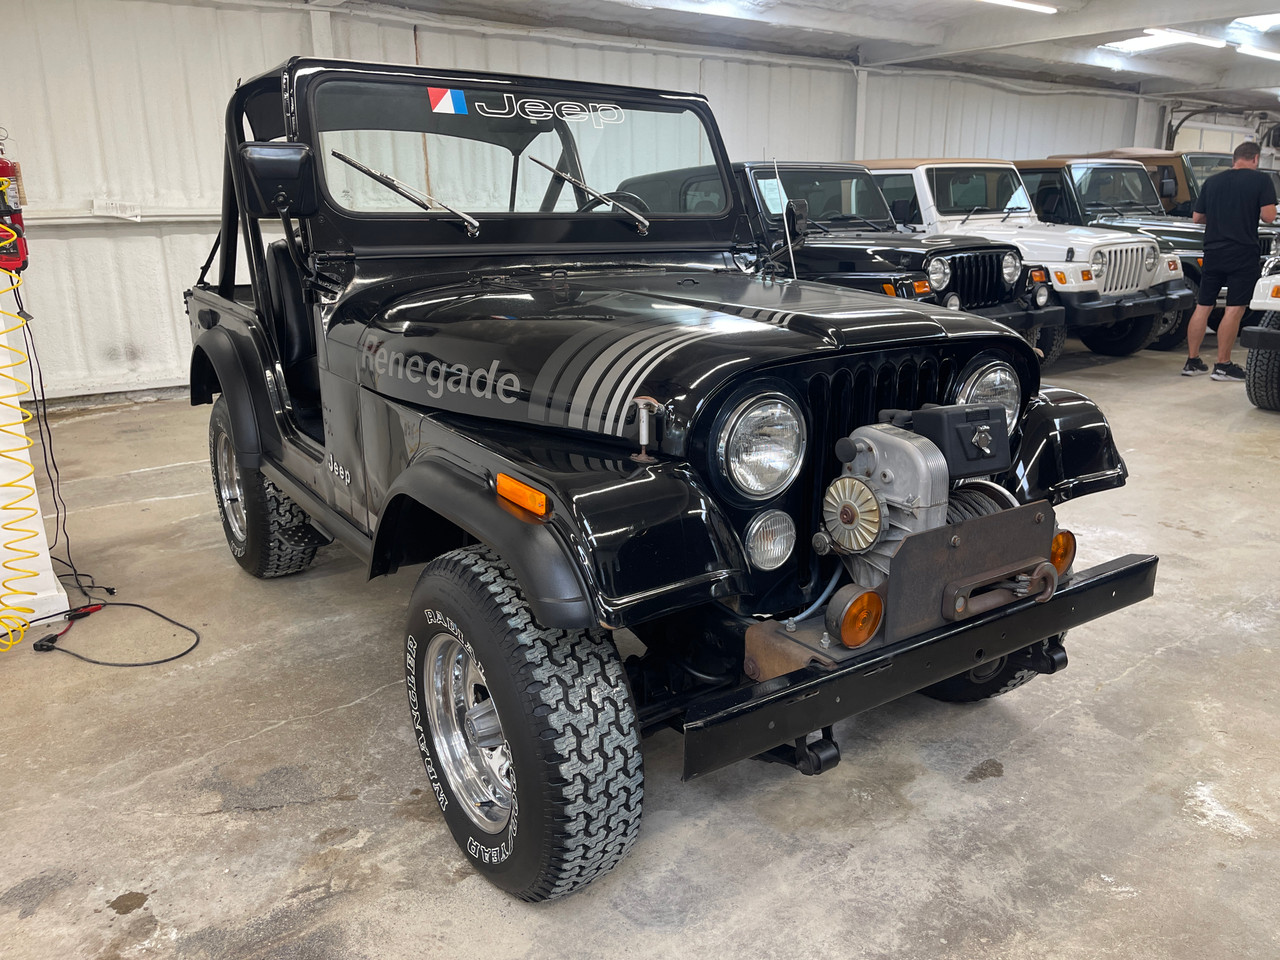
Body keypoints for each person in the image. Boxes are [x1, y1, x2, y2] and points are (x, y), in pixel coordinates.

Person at [1182, 141, 1277, 380]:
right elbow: (1268, 217)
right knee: (1234, 309)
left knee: (1204, 306)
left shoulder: (1213, 182)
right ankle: (1223, 365)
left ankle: (1192, 362)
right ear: (1255, 159)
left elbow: (1197, 218)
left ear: (1234, 159)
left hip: (1213, 251)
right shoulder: (1261, 181)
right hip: (1242, 252)